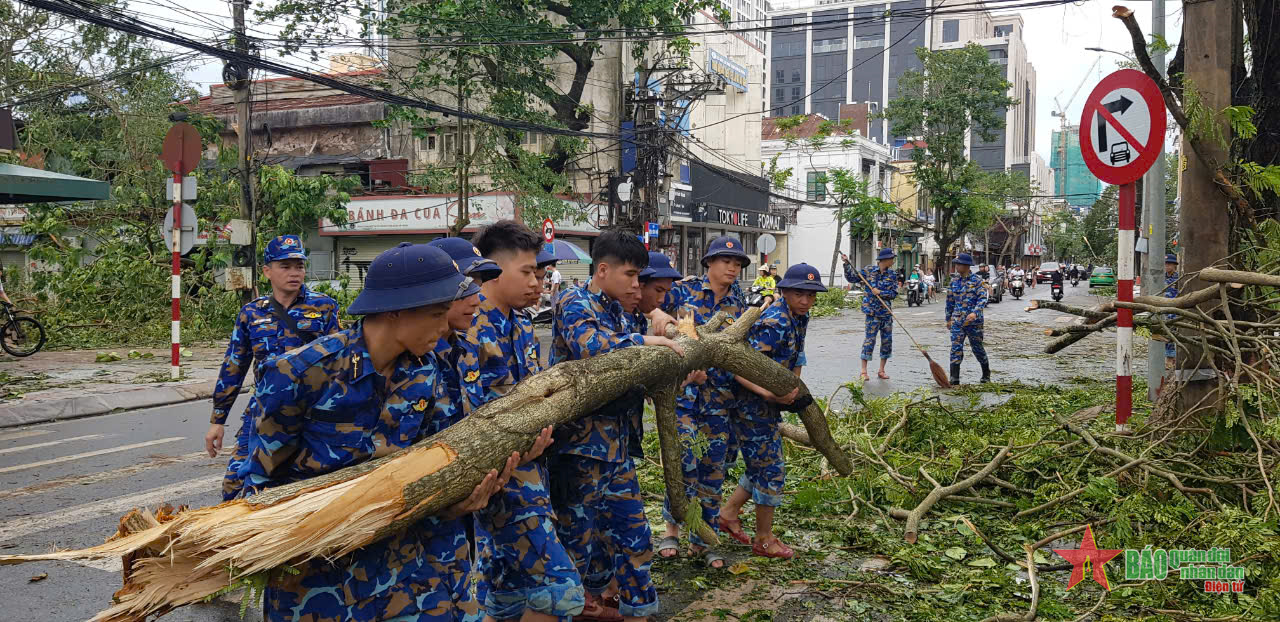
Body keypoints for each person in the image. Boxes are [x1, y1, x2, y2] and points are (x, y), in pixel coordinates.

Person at [236, 242, 530, 622]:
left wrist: (461, 499)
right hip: (317, 581)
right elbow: (256, 486)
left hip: (407, 571)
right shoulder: (300, 374)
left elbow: (437, 462)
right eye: (437, 315)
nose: (445, 329)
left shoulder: (428, 371)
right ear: (394, 311)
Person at [549, 233, 686, 622]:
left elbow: (639, 363)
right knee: (576, 543)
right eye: (630, 274)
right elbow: (594, 349)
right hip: (580, 450)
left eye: (639, 276)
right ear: (603, 269)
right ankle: (575, 609)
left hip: (618, 449)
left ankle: (638, 611)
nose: (635, 284)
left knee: (634, 536)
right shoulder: (574, 302)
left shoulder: (621, 310)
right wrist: (647, 341)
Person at [458, 221, 579, 622]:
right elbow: (473, 415)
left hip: (531, 467)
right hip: (499, 473)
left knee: (506, 593)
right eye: (527, 273)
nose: (537, 284)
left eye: (541, 275)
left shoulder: (523, 323)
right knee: (561, 593)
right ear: (493, 269)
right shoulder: (470, 326)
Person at [210, 235, 340, 501]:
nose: (294, 273)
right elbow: (233, 366)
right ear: (267, 271)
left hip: (311, 413)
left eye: (299, 266)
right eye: (285, 266)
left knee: (307, 487)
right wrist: (217, 421)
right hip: (264, 410)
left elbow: (341, 363)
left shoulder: (324, 307)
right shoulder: (252, 313)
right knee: (234, 487)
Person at [657, 236, 750, 569]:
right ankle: (671, 530)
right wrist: (663, 321)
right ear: (708, 262)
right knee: (682, 463)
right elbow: (648, 306)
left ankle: (703, 539)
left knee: (712, 471)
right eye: (726, 261)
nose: (732, 268)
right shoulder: (682, 291)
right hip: (682, 396)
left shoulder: (741, 304)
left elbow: (744, 353)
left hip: (720, 401)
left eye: (738, 263)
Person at [719, 263, 822, 560]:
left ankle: (728, 512)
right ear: (785, 291)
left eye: (811, 295)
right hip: (750, 405)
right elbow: (738, 364)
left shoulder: (799, 317)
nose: (806, 300)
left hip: (768, 405)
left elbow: (797, 355)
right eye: (800, 294)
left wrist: (793, 388)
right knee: (771, 468)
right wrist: (769, 393)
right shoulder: (774, 321)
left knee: (762, 464)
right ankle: (763, 539)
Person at [843, 248, 898, 381]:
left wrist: (880, 293)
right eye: (891, 258)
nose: (892, 260)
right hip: (872, 313)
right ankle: (863, 371)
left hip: (886, 313)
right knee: (869, 340)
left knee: (887, 342)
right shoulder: (868, 271)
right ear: (884, 260)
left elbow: (894, 294)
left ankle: (881, 370)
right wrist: (846, 264)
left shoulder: (892, 275)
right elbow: (852, 278)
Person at [946, 253, 991, 385]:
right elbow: (949, 301)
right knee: (955, 347)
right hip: (957, 321)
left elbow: (983, 298)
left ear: (966, 266)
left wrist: (975, 313)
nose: (956, 266)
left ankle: (986, 373)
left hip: (974, 322)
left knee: (977, 348)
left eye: (958, 264)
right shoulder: (954, 281)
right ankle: (954, 377)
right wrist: (948, 319)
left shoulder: (977, 281)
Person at [1161, 254, 1180, 364]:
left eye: (1169, 264)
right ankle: (1167, 357)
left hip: (1174, 308)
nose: (1167, 266)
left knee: (1171, 332)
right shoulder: (1161, 277)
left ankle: (1170, 358)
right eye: (1165, 264)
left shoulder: (1178, 278)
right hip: (1163, 307)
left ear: (1174, 266)